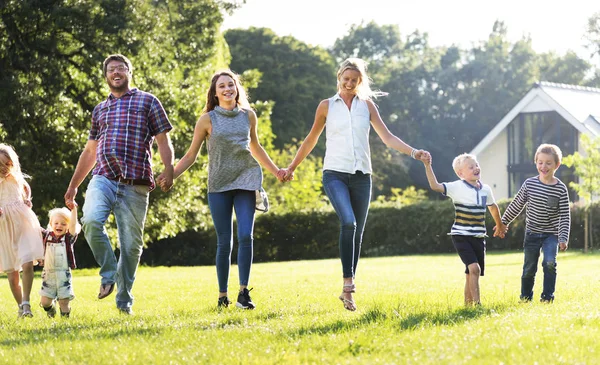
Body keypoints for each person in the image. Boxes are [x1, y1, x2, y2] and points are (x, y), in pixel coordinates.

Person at [281, 58, 428, 311]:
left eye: (354, 80)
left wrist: (414, 153)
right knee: (348, 222)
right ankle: (349, 285)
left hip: (362, 177)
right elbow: (310, 139)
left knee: (357, 233)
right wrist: (291, 167)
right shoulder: (326, 106)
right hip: (334, 174)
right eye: (345, 79)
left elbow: (387, 137)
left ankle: (346, 290)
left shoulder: (367, 107)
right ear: (339, 77)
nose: (349, 84)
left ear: (360, 82)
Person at [158, 69, 284, 310]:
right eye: (222, 87)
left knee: (245, 235)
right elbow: (191, 155)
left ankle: (243, 292)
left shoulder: (249, 116)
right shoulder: (207, 120)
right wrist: (170, 174)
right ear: (215, 94)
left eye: (231, 85)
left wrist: (276, 170)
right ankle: (222, 295)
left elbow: (256, 148)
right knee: (224, 241)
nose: (227, 89)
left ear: (237, 88)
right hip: (219, 184)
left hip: (247, 178)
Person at [64, 54, 175, 315]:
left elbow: (163, 141)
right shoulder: (100, 109)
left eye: (121, 68)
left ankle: (124, 300)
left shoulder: (148, 101)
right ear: (106, 76)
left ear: (129, 72)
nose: (116, 72)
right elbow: (90, 151)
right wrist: (73, 186)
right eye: (111, 69)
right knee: (90, 221)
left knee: (131, 246)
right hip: (103, 178)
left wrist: (169, 169)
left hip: (135, 184)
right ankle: (108, 273)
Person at [421, 152, 506, 306]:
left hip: (479, 237)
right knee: (474, 268)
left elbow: (493, 207)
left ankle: (468, 306)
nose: (476, 168)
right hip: (461, 236)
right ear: (460, 173)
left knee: (471, 273)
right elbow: (435, 186)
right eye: (471, 167)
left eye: (476, 165)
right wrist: (427, 166)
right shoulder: (456, 187)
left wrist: (499, 225)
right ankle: (478, 305)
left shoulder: (485, 189)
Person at [500, 143, 571, 303]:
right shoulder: (529, 184)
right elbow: (517, 204)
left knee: (550, 263)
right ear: (536, 162)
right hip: (532, 233)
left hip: (551, 235)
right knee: (529, 269)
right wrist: (503, 222)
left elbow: (565, 215)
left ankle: (547, 298)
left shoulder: (560, 189)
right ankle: (525, 298)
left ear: (557, 165)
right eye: (540, 162)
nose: (543, 166)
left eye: (548, 163)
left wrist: (563, 237)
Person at [0, 143, 44, 318]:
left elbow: (26, 192)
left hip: (23, 223)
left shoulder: (18, 180)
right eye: (0, 166)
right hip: (4, 228)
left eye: (6, 165)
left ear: (12, 163)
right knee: (12, 276)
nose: (4, 169)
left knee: (27, 263)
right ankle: (21, 306)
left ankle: (26, 303)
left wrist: (27, 202)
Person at [39, 205, 81, 318]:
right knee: (45, 302)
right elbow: (33, 227)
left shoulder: (68, 238)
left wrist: (74, 210)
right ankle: (51, 310)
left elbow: (73, 225)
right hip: (48, 275)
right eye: (56, 223)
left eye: (63, 224)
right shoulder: (45, 236)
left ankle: (64, 323)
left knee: (64, 302)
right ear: (51, 224)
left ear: (68, 226)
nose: (59, 226)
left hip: (63, 275)